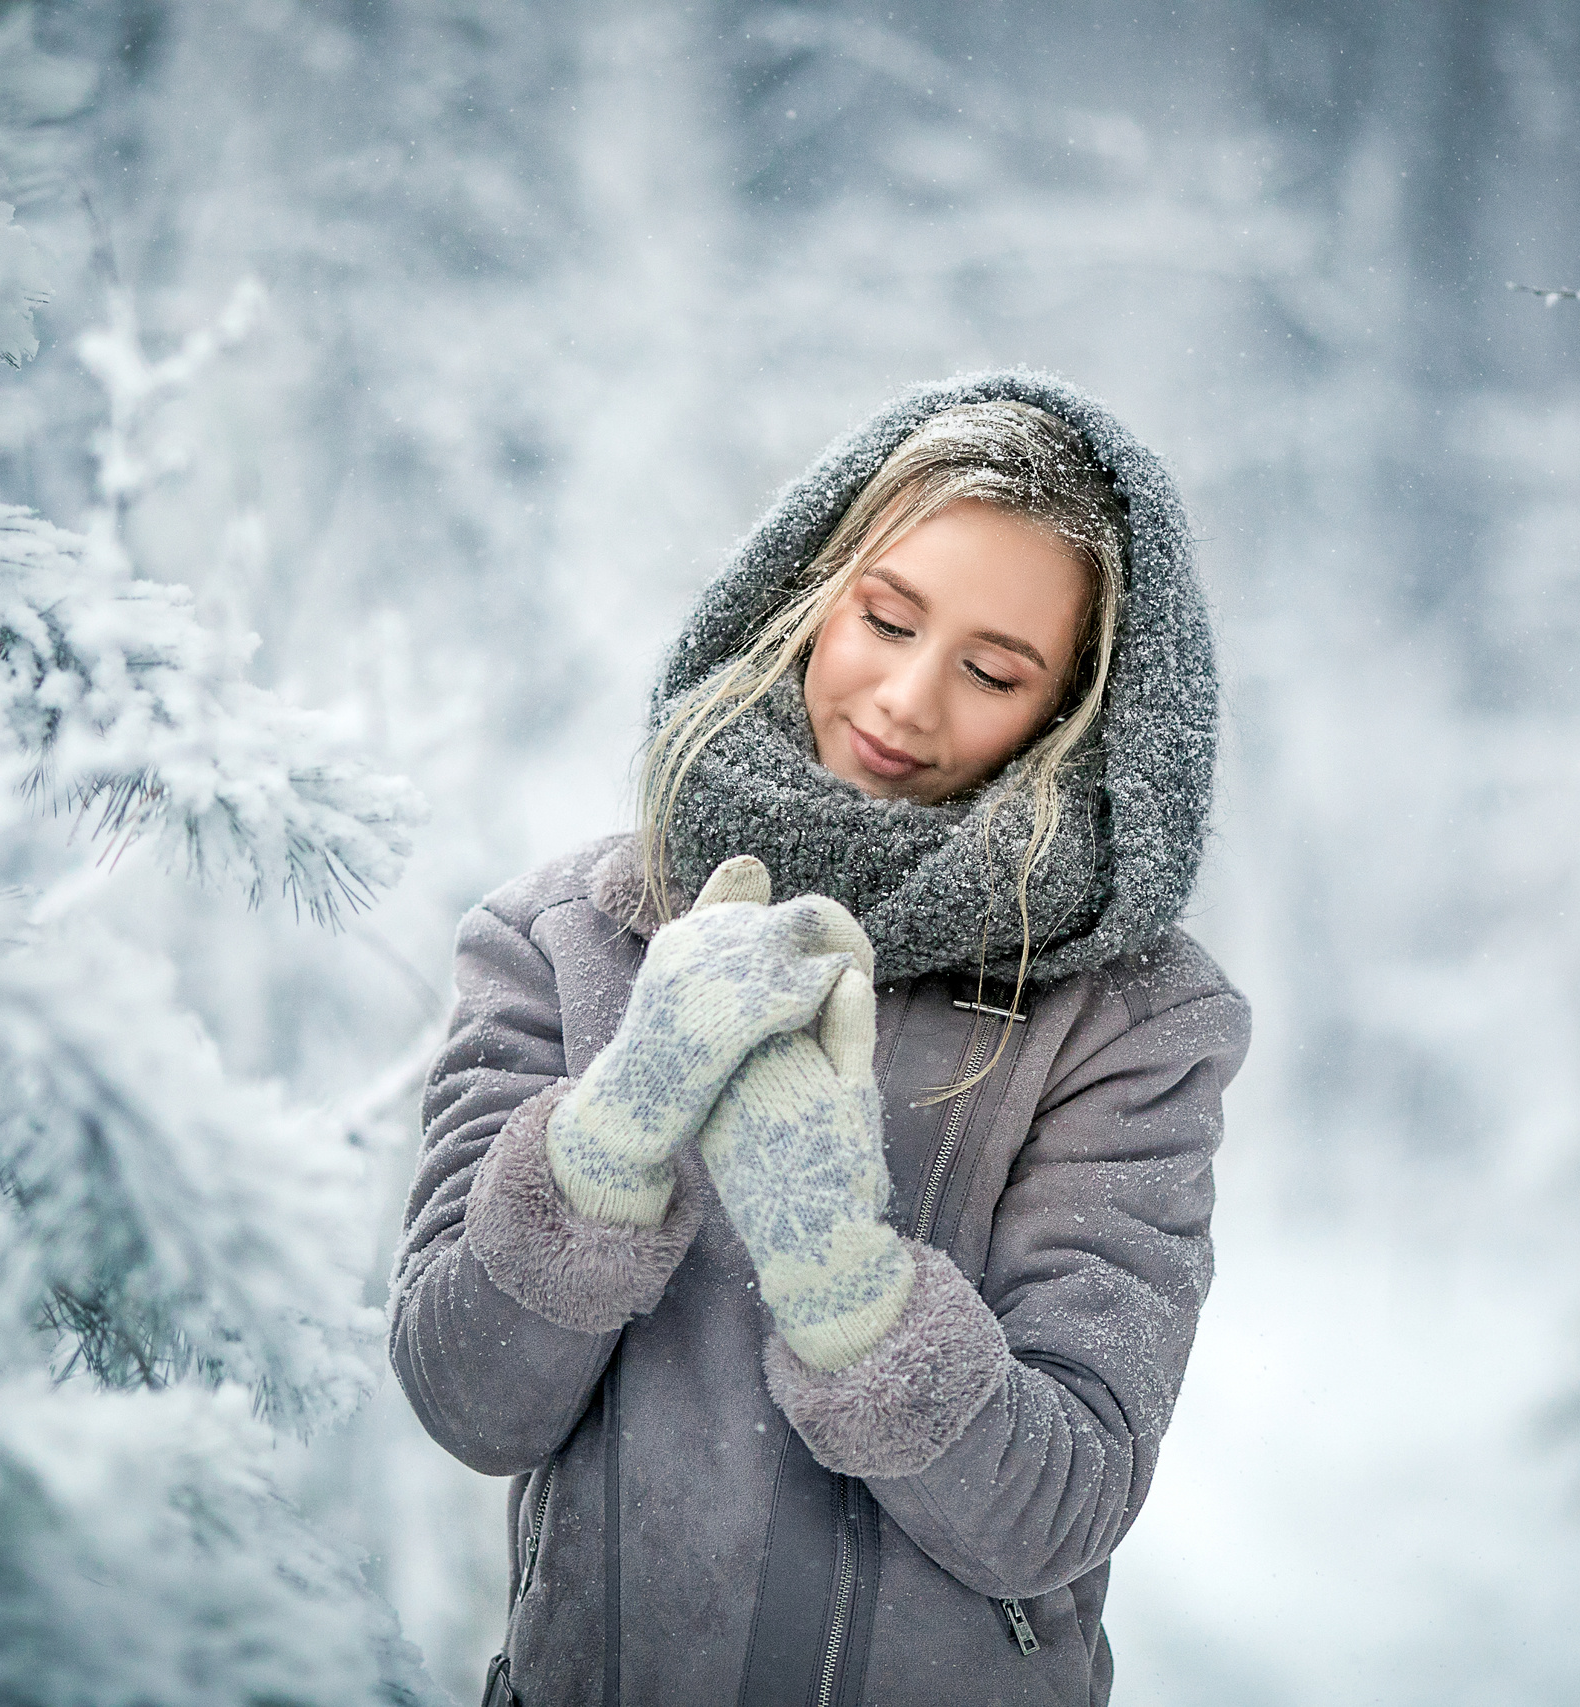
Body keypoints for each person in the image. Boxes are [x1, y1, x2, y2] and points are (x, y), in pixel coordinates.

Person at [391, 370, 1251, 1707]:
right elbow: (467, 1398)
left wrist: (844, 1276)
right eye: (889, 619)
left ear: (1079, 713)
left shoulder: (1130, 1025)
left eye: (993, 669)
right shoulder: (566, 936)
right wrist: (615, 1136)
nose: (910, 699)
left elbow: (1058, 1505)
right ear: (811, 586)